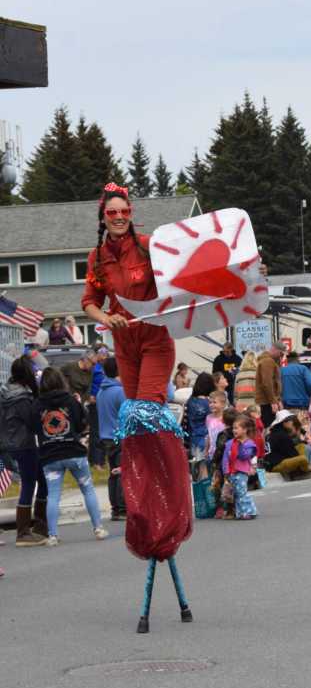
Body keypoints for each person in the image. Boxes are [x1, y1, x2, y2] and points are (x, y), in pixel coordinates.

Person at [82, 181, 192, 562]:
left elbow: (191, 273)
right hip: (124, 343)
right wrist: (105, 317)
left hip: (156, 337)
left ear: (131, 214)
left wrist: (247, 272)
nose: (118, 218)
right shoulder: (97, 257)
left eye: (123, 212)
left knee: (146, 410)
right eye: (111, 213)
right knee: (133, 422)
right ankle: (145, 498)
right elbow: (90, 302)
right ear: (103, 216)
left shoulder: (149, 246)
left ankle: (174, 487)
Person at [32, 367, 108, 546]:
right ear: (61, 381)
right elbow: (82, 424)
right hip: (74, 452)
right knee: (87, 489)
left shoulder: (37, 405)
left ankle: (52, 535)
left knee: (53, 495)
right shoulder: (70, 400)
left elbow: (34, 427)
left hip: (50, 456)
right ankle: (98, 527)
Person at [0, 356, 48, 545]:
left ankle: (37, 525)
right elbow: (33, 422)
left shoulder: (5, 391)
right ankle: (25, 530)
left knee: (38, 480)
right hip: (24, 444)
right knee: (32, 482)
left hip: (8, 443)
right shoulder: (22, 398)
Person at [96, 355, 127, 521]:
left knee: (113, 473)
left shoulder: (102, 391)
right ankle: (122, 508)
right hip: (120, 437)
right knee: (123, 472)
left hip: (105, 437)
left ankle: (115, 508)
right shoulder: (120, 392)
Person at [223, 416, 258, 519]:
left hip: (241, 472)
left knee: (241, 492)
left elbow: (245, 456)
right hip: (231, 472)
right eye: (233, 428)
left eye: (237, 428)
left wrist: (240, 445)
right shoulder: (230, 443)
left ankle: (249, 511)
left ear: (245, 430)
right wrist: (225, 470)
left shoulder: (249, 444)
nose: (234, 430)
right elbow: (225, 457)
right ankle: (241, 512)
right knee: (236, 494)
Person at [265, 411, 311, 479]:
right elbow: (293, 454)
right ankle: (305, 472)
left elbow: (290, 450)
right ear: (284, 422)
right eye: (290, 420)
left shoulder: (277, 432)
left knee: (301, 446)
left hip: (281, 459)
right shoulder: (281, 435)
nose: (292, 422)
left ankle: (302, 470)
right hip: (276, 465)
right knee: (302, 459)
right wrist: (306, 464)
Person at [185, 372, 215, 478]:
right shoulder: (207, 403)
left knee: (199, 466)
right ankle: (205, 491)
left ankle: (200, 489)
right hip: (205, 438)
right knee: (205, 468)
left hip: (193, 437)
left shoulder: (190, 401)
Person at [255, 341, 286, 428]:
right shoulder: (268, 362)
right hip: (267, 402)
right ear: (275, 350)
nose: (282, 356)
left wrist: (277, 399)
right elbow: (267, 383)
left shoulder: (269, 361)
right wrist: (273, 401)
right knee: (270, 427)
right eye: (281, 354)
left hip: (268, 400)